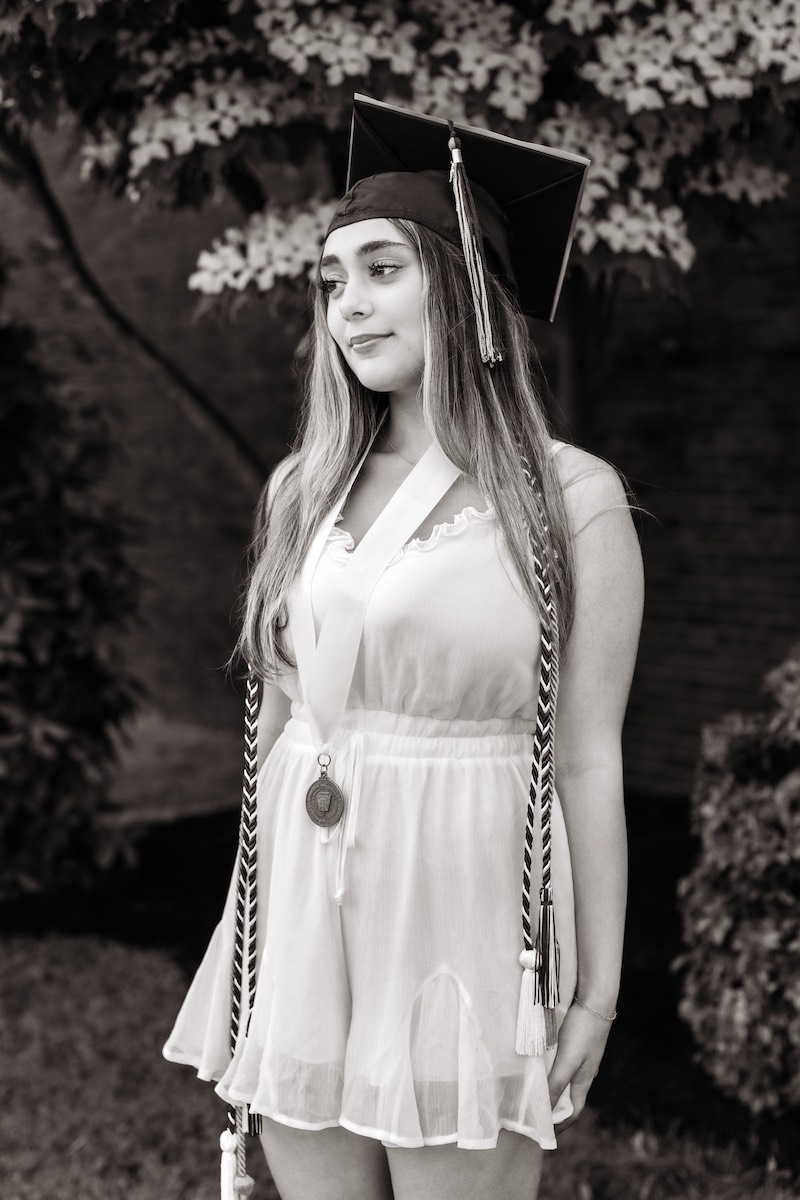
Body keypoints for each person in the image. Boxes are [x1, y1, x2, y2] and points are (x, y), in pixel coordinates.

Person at [163, 96, 644, 1200]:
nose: (348, 305)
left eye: (382, 269)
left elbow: (585, 756)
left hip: (464, 903)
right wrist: (243, 934)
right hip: (302, 905)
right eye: (333, 281)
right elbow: (277, 721)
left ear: (465, 282)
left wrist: (596, 994)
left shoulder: (568, 499)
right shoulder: (303, 486)